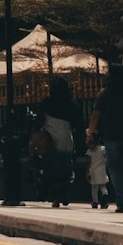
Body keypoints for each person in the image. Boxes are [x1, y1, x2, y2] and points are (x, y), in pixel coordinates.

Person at [89, 64, 123, 213]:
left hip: (111, 136)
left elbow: (95, 115)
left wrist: (90, 132)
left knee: (114, 168)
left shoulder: (105, 94)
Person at [36, 76, 84, 207]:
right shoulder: (72, 104)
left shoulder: (47, 102)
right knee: (66, 168)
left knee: (52, 169)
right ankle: (65, 193)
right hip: (67, 139)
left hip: (51, 140)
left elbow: (39, 118)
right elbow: (78, 124)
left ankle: (55, 196)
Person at [86, 136, 110, 209]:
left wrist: (87, 172)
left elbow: (88, 162)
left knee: (94, 187)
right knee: (103, 186)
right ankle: (105, 197)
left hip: (93, 171)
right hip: (102, 170)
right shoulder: (103, 149)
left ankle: (95, 202)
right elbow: (106, 157)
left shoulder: (89, 152)